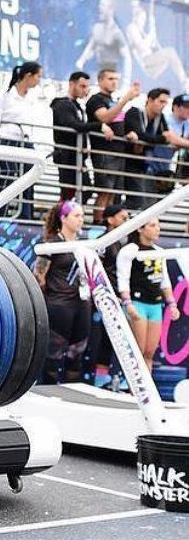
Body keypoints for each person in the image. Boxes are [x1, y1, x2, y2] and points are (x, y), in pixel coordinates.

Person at [34, 201, 91, 384]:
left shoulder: (84, 245)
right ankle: (48, 391)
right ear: (63, 218)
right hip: (59, 305)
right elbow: (38, 277)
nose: (80, 220)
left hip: (81, 304)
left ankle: (72, 389)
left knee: (77, 353)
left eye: (82, 216)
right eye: (76, 216)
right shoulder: (52, 244)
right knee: (53, 355)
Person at [116, 219, 180, 372]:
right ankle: (134, 391)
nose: (157, 229)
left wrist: (172, 304)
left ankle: (148, 390)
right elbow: (123, 278)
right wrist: (128, 303)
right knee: (138, 350)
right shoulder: (130, 250)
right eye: (152, 226)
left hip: (155, 304)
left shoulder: (158, 251)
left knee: (149, 352)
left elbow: (164, 280)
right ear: (140, 229)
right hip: (138, 303)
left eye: (158, 225)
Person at [85, 69, 140, 220]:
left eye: (116, 79)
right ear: (100, 80)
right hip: (104, 152)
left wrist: (129, 133)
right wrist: (125, 100)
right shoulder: (95, 100)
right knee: (104, 191)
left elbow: (117, 122)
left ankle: (107, 224)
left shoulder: (113, 100)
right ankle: (97, 225)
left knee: (112, 193)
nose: (114, 82)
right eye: (110, 78)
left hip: (118, 152)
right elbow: (104, 117)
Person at [85, 203, 129, 387]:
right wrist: (107, 296)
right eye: (123, 218)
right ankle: (99, 380)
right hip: (105, 300)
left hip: (122, 298)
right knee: (103, 339)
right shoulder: (102, 243)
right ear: (110, 220)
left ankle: (117, 379)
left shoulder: (125, 242)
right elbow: (97, 273)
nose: (127, 222)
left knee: (119, 341)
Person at [0, 61, 43, 220]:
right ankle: (0, 212)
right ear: (28, 76)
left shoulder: (32, 98)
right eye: (38, 76)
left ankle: (26, 215)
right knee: (8, 174)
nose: (39, 80)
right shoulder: (6, 94)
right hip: (7, 138)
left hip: (26, 141)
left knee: (30, 175)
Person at [50, 71, 108, 201]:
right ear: (72, 84)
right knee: (70, 192)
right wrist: (99, 126)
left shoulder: (76, 105)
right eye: (82, 86)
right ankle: (61, 216)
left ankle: (66, 214)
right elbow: (74, 125)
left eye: (87, 87)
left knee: (81, 190)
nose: (85, 90)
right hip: (67, 155)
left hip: (77, 155)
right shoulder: (63, 104)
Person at [125, 0, 189, 94]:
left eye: (144, 19)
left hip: (153, 68)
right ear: (136, 17)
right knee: (170, 52)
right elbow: (141, 46)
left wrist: (152, 30)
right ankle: (185, 82)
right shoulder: (132, 28)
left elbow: (152, 44)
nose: (142, 21)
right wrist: (151, 36)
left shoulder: (142, 31)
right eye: (141, 18)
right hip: (146, 62)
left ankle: (184, 86)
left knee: (172, 62)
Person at [123, 88, 173, 206]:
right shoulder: (134, 112)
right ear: (150, 100)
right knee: (135, 200)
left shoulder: (160, 118)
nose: (163, 105)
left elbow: (166, 137)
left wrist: (150, 139)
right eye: (161, 102)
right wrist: (160, 139)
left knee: (140, 200)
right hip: (126, 161)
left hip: (142, 163)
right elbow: (141, 135)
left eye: (165, 102)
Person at [75, 0, 131, 84]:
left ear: (111, 9)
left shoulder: (116, 33)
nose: (100, 8)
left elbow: (127, 57)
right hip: (98, 70)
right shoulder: (97, 28)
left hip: (111, 71)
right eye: (100, 5)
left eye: (103, 5)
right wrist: (81, 61)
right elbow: (91, 47)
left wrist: (126, 80)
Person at [166, 94, 189, 179]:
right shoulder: (166, 119)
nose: (188, 110)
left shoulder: (187, 123)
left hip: (173, 163)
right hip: (157, 162)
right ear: (175, 107)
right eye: (186, 107)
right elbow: (173, 139)